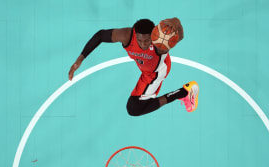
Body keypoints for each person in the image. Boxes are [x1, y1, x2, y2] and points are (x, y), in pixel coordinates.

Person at [68, 18, 199, 116]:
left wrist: (175, 21)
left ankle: (186, 92)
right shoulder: (127, 36)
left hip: (156, 72)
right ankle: (183, 92)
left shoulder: (159, 45)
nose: (143, 44)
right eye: (139, 40)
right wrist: (80, 59)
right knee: (136, 105)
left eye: (147, 41)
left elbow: (180, 35)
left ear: (153, 37)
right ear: (134, 34)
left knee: (134, 108)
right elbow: (100, 35)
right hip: (145, 71)